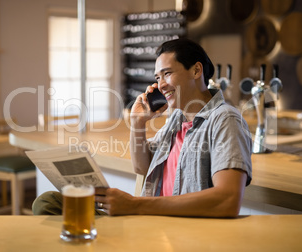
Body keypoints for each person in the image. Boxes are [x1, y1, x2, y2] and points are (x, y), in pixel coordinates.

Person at [32, 38, 252, 217]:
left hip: (177, 227)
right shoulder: (176, 119)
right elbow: (142, 167)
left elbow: (228, 199)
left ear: (196, 71)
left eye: (167, 73)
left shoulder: (225, 119)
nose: (160, 84)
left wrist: (136, 205)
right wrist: (138, 123)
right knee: (48, 202)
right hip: (150, 217)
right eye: (157, 77)